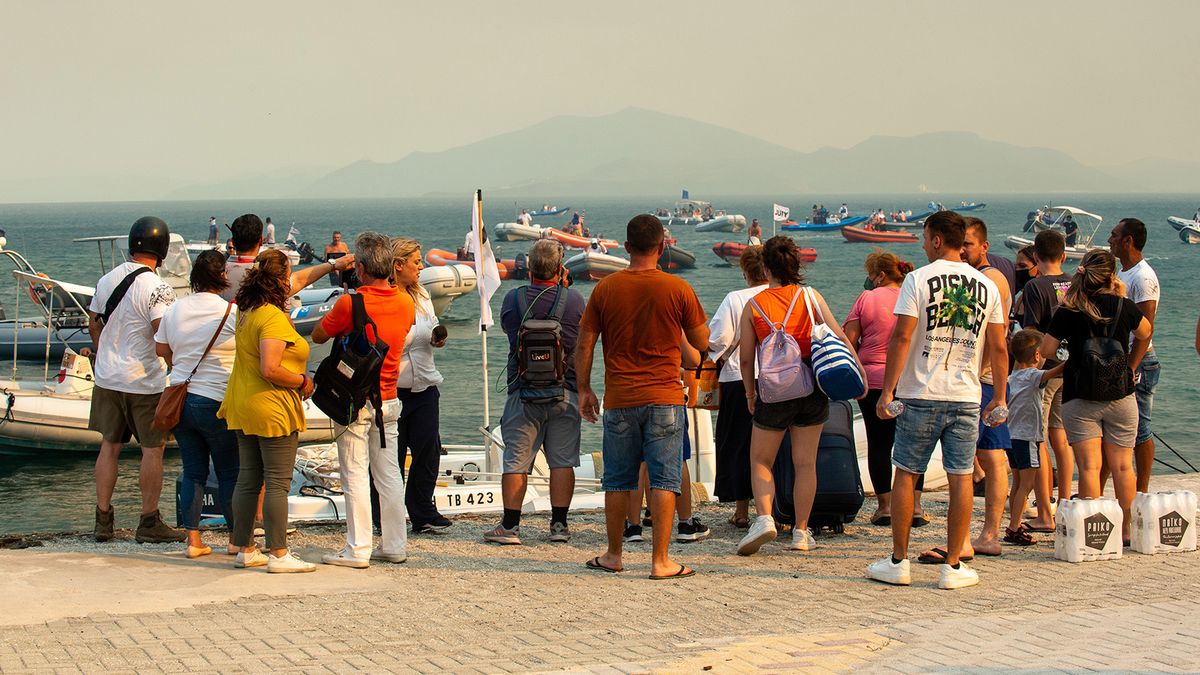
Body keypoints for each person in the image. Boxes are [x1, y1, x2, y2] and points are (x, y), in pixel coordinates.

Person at [869, 210, 1007, 590]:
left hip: (920, 392)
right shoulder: (986, 286)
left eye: (924, 237)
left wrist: (887, 390)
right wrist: (1001, 396)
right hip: (966, 395)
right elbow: (998, 346)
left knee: (907, 473)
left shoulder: (918, 279)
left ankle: (899, 560)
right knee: (960, 476)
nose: (921, 243)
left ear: (935, 240)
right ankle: (953, 565)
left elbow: (901, 337)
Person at [576, 214, 708, 579]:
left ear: (628, 246)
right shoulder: (677, 289)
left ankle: (614, 554)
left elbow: (585, 342)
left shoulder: (605, 288)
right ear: (663, 247)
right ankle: (661, 561)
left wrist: (585, 388)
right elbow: (700, 343)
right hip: (665, 395)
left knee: (618, 480)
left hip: (620, 397)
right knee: (664, 478)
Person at [736, 236, 864, 556]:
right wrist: (858, 371)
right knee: (805, 463)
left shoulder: (753, 306)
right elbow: (839, 336)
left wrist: (750, 393)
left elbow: (746, 358)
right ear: (795, 264)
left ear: (765, 268)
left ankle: (765, 518)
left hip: (774, 391)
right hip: (811, 388)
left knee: (761, 460)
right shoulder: (810, 297)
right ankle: (802, 532)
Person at [312, 233, 415, 568]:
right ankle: (395, 544)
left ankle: (357, 548)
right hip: (388, 398)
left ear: (360, 267)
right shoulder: (405, 303)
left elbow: (319, 335)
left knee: (354, 473)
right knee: (389, 474)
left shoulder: (350, 304)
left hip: (355, 401)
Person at [1041, 250, 1151, 545]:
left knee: (1089, 467)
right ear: (1112, 275)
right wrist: (1122, 295)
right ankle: (1127, 531)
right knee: (1123, 466)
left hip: (1080, 394)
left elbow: (1047, 350)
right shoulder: (1123, 305)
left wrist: (1070, 353)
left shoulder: (1070, 309)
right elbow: (1145, 332)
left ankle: (1095, 532)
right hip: (1121, 394)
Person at [219, 249, 316, 573]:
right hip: (270, 405)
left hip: (242, 402)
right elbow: (271, 368)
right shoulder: (272, 317)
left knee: (248, 477)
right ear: (280, 278)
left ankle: (244, 547)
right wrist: (303, 381)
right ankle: (278, 552)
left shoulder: (246, 309)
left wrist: (332, 265)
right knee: (276, 481)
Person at [88, 216, 183, 544]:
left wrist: (104, 354)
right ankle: (148, 521)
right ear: (163, 249)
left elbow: (94, 321)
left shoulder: (106, 279)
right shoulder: (158, 287)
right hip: (144, 381)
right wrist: (175, 365)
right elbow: (163, 333)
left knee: (109, 447)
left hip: (107, 378)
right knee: (152, 450)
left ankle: (103, 520)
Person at [485, 240, 586, 545]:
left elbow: (508, 330)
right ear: (560, 267)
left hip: (523, 391)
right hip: (564, 390)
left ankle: (510, 526)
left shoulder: (512, 300)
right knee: (562, 460)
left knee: (516, 462)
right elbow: (578, 341)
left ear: (528, 268)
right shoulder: (574, 301)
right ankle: (559, 526)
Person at [154, 250, 238, 558]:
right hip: (215, 399)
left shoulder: (175, 310)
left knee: (193, 472)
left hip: (180, 398)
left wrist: (181, 360)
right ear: (222, 277)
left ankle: (193, 541)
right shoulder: (232, 312)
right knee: (230, 471)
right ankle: (235, 538)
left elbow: (162, 348)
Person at [843, 250, 927, 528]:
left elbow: (849, 341)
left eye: (870, 276)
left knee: (879, 443)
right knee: (914, 444)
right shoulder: (915, 296)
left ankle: (886, 506)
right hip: (911, 380)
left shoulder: (867, 298)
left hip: (875, 381)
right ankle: (915, 507)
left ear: (879, 275)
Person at [391, 237, 453, 534]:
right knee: (393, 455)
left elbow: (431, 325)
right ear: (398, 265)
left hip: (425, 383)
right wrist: (420, 335)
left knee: (428, 451)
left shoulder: (423, 295)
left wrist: (436, 337)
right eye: (416, 261)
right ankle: (386, 516)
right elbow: (392, 343)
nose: (421, 266)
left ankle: (423, 511)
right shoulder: (386, 298)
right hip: (394, 387)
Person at [960, 218, 1012, 559]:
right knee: (984, 456)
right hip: (979, 378)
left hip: (983, 379)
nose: (963, 249)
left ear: (984, 247)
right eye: (959, 243)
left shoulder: (989, 280)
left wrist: (992, 389)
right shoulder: (979, 278)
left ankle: (989, 532)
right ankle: (983, 531)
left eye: (968, 243)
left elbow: (996, 339)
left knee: (992, 457)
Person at [707, 245, 768, 527]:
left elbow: (717, 341)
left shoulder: (734, 299)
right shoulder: (781, 295)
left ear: (745, 272)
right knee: (773, 446)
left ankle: (742, 511)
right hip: (778, 379)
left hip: (737, 378)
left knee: (739, 444)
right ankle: (773, 510)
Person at [1019, 231, 1072, 526]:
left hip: (1045, 368)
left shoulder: (1035, 286)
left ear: (1036, 257)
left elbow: (1032, 334)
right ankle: (1065, 503)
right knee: (1061, 437)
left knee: (1037, 439)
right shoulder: (1075, 283)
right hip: (1069, 367)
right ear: (1063, 256)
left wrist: (1025, 370)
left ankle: (1044, 513)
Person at [1108, 218, 1159, 493]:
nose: (1109, 240)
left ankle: (1142, 490)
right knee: (1115, 427)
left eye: (1114, 235)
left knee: (1140, 429)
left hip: (1139, 360)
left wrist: (1131, 367)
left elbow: (1145, 328)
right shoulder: (1123, 272)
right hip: (1122, 358)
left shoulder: (1142, 277)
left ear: (1128, 241)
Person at [1002, 329, 1064, 546]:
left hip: (1012, 438)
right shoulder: (1033, 376)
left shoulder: (1011, 378)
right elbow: (1057, 371)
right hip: (1028, 438)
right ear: (1038, 356)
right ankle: (1014, 527)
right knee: (1026, 485)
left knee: (1017, 482)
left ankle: (1014, 523)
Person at [222, 214, 354, 302]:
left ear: (233, 241)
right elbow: (297, 280)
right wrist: (333, 264)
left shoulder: (217, 271)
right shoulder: (265, 274)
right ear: (261, 241)